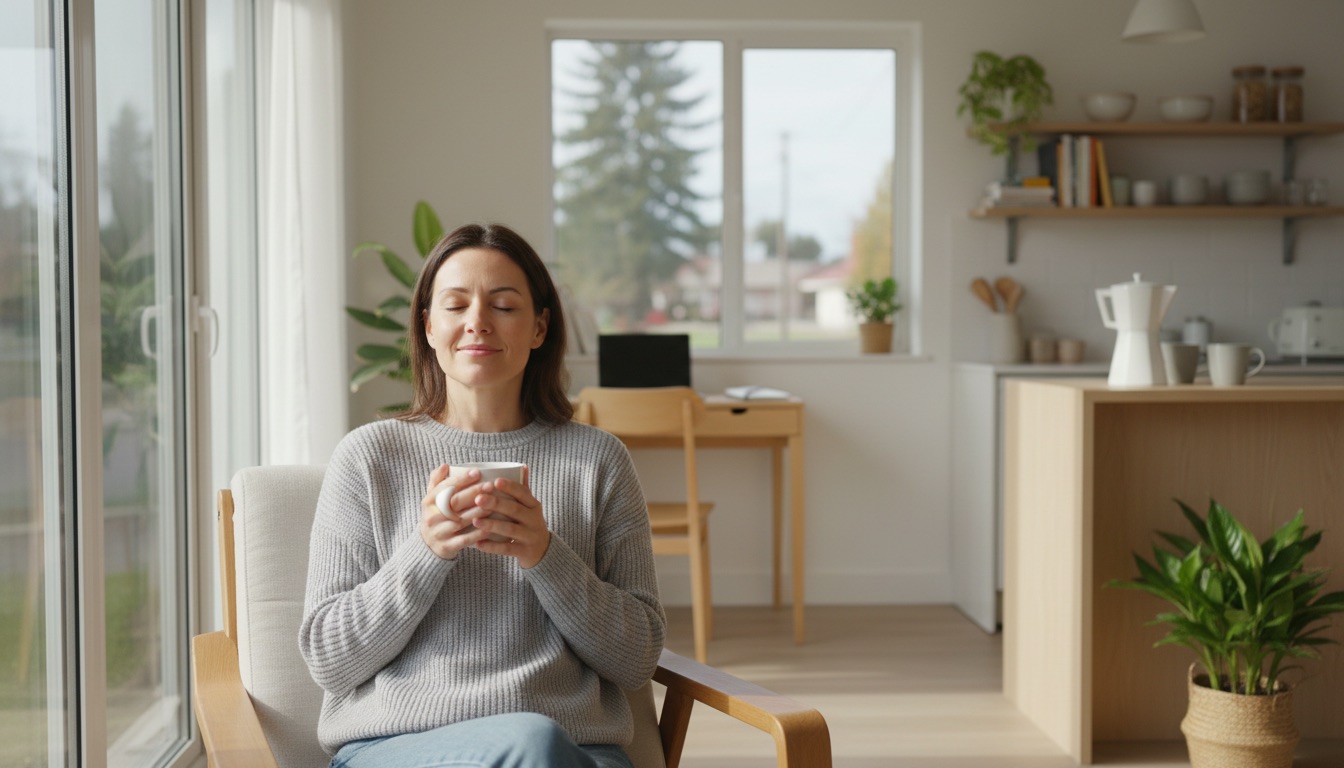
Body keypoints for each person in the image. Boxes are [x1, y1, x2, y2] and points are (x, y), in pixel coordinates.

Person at [299, 223, 665, 768]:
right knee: (531, 744)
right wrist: (425, 553)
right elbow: (329, 659)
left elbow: (637, 659)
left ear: (539, 327)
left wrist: (546, 556)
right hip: (400, 747)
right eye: (455, 305)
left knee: (537, 745)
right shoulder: (369, 458)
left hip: (573, 750)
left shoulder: (597, 460)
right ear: (427, 326)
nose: (477, 323)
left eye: (504, 306)